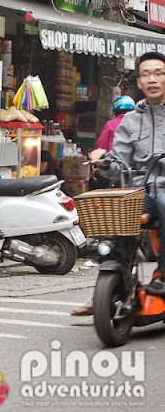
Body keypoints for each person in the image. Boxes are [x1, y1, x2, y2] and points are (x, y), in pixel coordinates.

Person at [73, 52, 165, 316]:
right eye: (146, 74)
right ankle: (113, 281)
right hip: (141, 190)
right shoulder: (130, 121)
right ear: (139, 82)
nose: (152, 79)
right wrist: (103, 161)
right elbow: (118, 164)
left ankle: (163, 274)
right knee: (117, 210)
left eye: (158, 73)